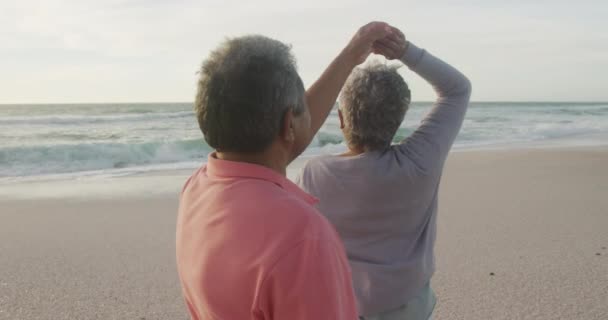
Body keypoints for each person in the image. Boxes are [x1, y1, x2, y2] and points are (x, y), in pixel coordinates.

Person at [176, 22, 407, 319]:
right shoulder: (302, 237)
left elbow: (281, 138)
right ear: (289, 124)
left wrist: (350, 56)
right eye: (301, 112)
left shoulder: (197, 189)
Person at [296, 27, 472, 320]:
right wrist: (405, 52)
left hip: (344, 307)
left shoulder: (315, 173)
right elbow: (457, 89)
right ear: (399, 118)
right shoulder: (419, 162)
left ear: (340, 117)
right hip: (409, 307)